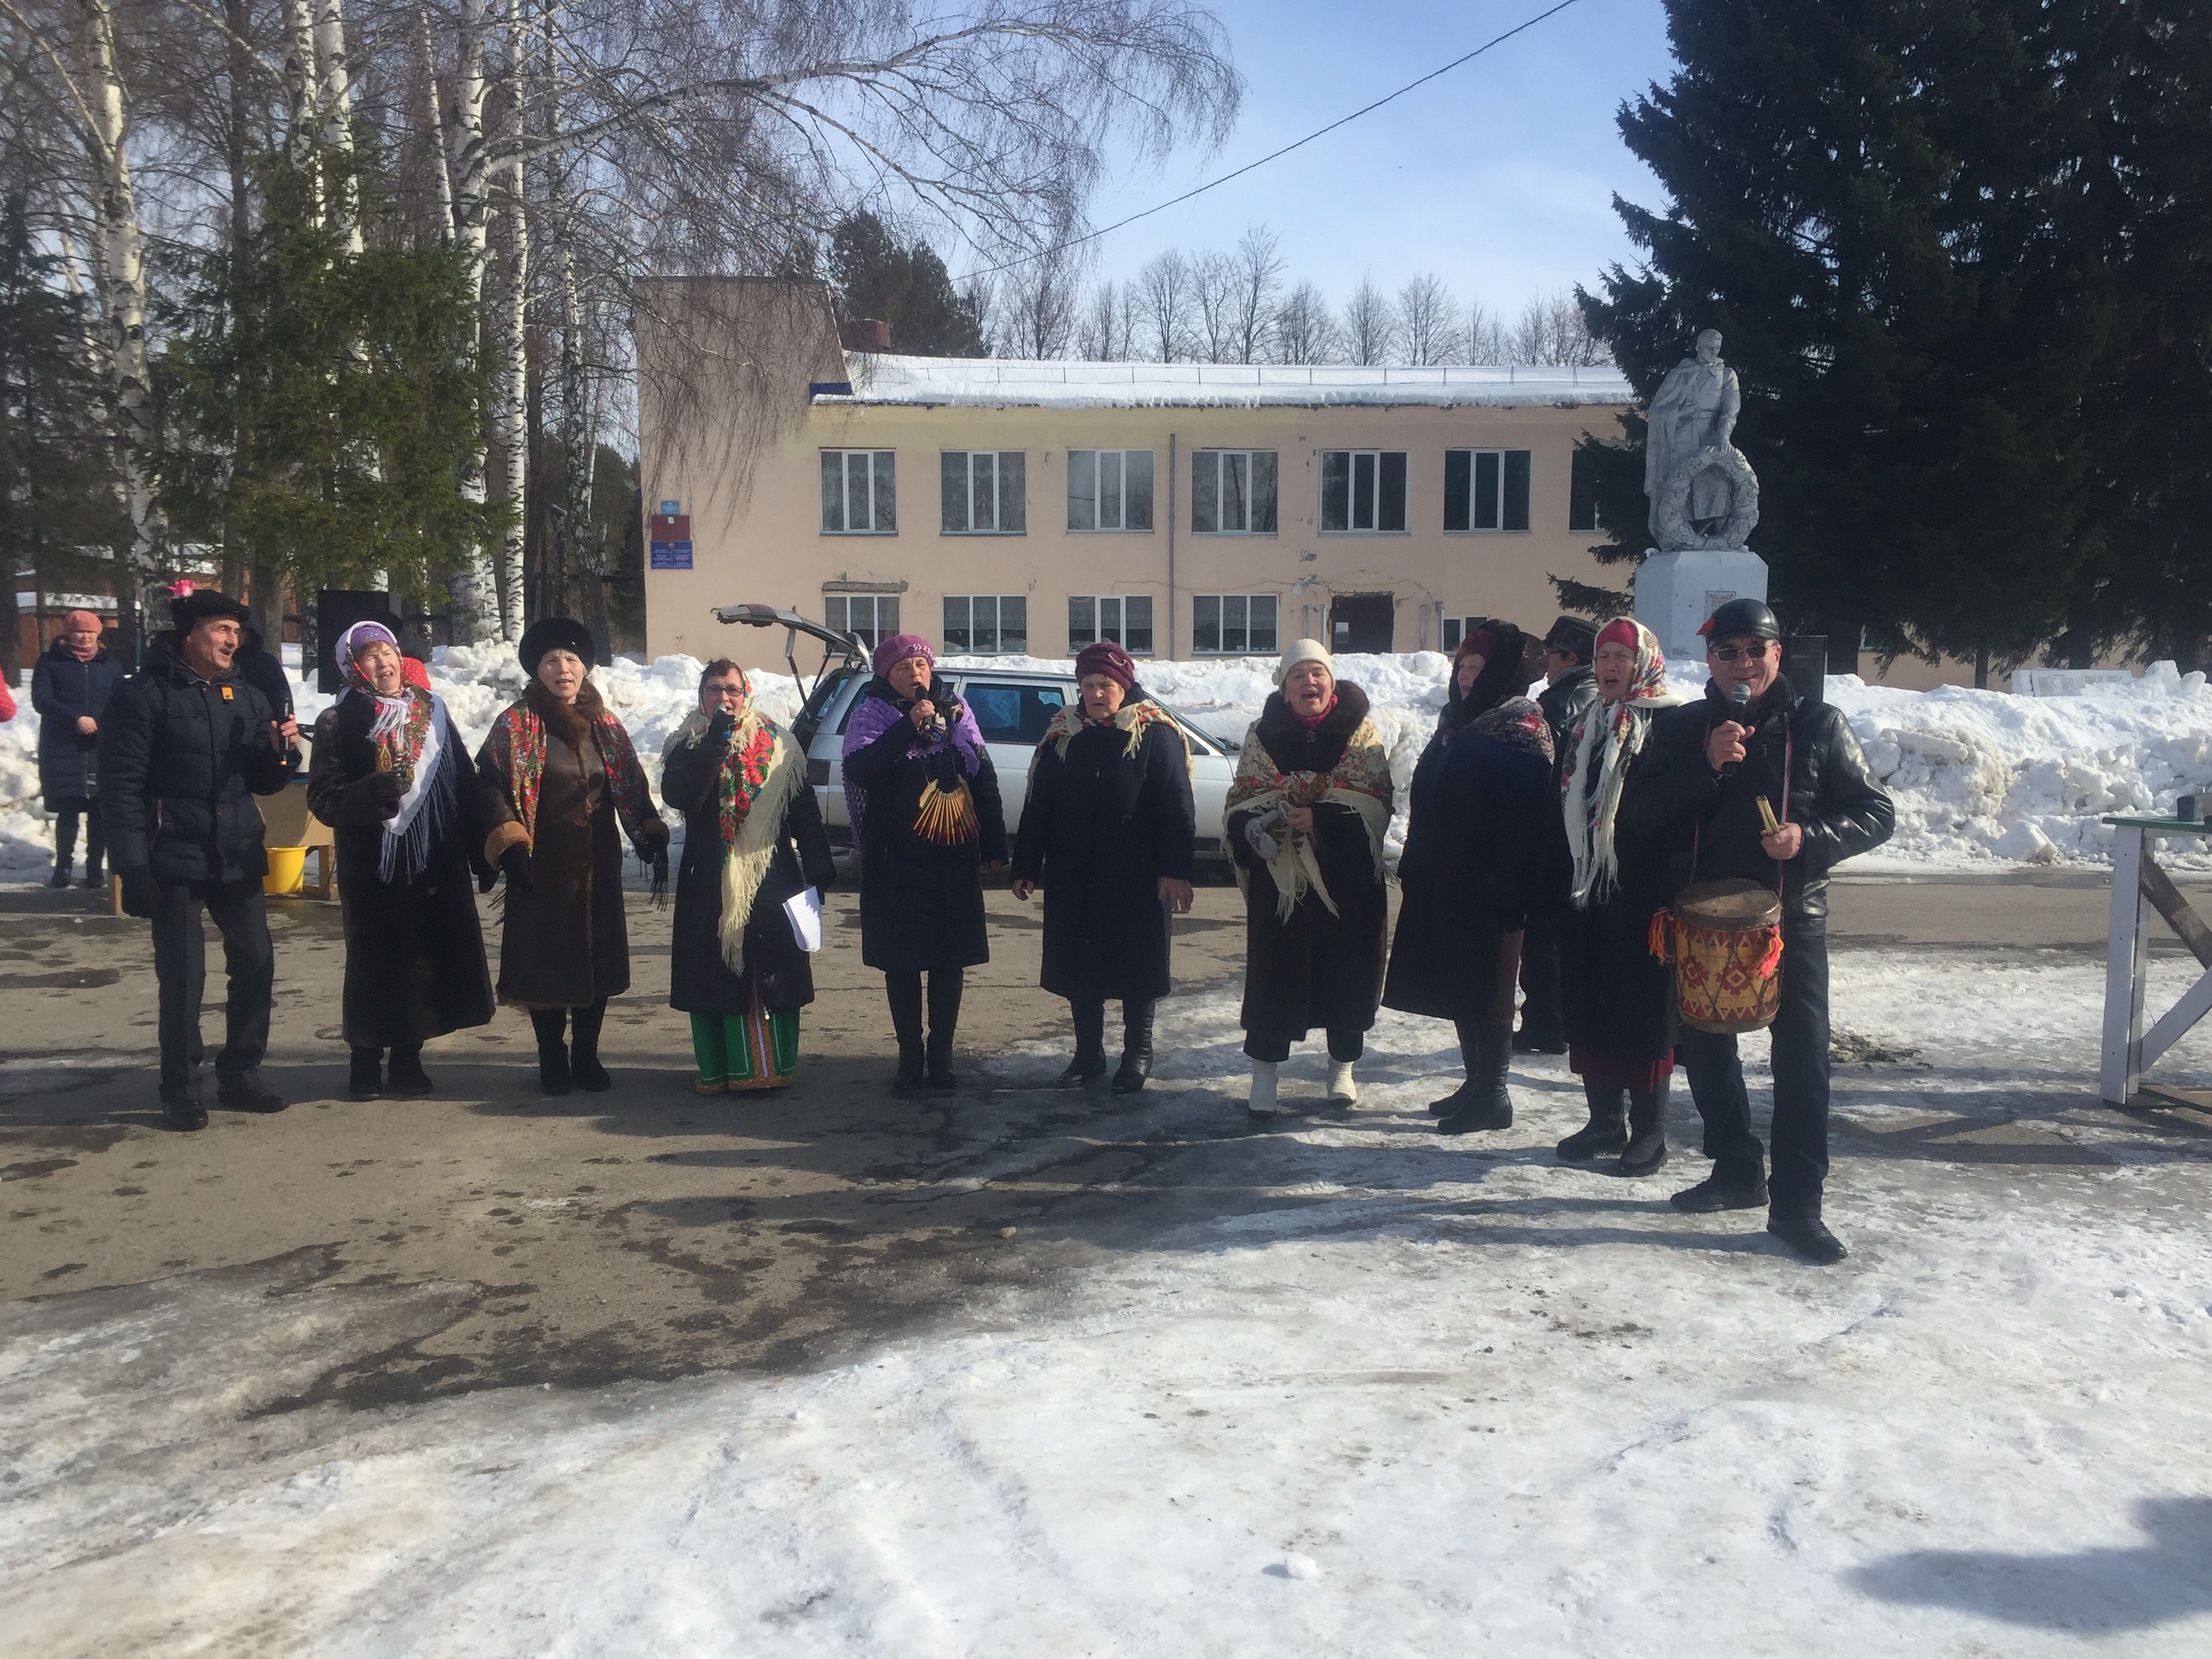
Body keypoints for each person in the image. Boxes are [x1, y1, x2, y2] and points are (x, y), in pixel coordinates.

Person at [1618, 597, 1894, 1264]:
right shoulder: (1686, 727)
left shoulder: (1819, 725)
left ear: (1777, 653)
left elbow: (1876, 812)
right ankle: (1736, 1167)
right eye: (1727, 652)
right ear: (1709, 660)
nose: (1742, 664)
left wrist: (1809, 839)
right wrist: (1705, 766)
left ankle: (1799, 1205)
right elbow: (1637, 817)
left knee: (1801, 1064)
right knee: (1707, 1053)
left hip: (1788, 924)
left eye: (1754, 651)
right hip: (1700, 923)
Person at [100, 588, 300, 1129]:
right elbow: (120, 788)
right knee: (184, 978)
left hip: (237, 850)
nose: (232, 639)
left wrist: (282, 756)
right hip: (172, 856)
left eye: (236, 631)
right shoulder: (142, 695)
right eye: (220, 629)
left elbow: (262, 778)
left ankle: (241, 1074)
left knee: (256, 964)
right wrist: (132, 866)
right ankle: (180, 1087)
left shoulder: (248, 694)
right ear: (189, 635)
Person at [476, 617, 669, 1096]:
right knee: (546, 965)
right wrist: (511, 844)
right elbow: (490, 789)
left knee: (596, 961)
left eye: (571, 660)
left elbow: (630, 784)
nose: (562, 668)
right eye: (551, 661)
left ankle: (586, 1055)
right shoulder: (516, 724)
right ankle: (551, 1057)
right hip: (539, 868)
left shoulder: (605, 724)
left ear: (584, 668)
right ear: (537, 670)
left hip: (598, 866)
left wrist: (647, 832)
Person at [306, 619, 495, 1100]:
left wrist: (482, 847)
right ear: (351, 666)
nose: (383, 663)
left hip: (435, 857)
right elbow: (324, 799)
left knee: (424, 958)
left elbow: (462, 782)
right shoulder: (339, 721)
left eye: (388, 652)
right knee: (376, 962)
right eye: (370, 656)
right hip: (374, 864)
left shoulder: (430, 711)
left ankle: (409, 1058)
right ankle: (365, 1060)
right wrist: (372, 792)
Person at [1010, 640, 1197, 1094]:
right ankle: (1088, 1054)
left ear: (1124, 686)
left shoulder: (1153, 732)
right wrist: (1026, 864)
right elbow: (1039, 804)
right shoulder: (1063, 734)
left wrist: (1175, 869)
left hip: (1136, 874)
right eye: (1089, 684)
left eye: (1107, 685)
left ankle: (1137, 1053)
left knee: (1137, 965)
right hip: (1075, 872)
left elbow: (1177, 806)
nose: (1097, 693)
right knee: (1081, 964)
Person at [1225, 638, 1393, 1115]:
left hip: (1347, 885)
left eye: (1317, 673)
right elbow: (1242, 796)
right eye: (1298, 675)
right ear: (1284, 686)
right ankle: (1264, 1075)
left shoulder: (1361, 735)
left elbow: (1376, 801)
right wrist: (1255, 823)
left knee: (1346, 977)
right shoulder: (1263, 736)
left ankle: (1342, 1068)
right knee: (1274, 977)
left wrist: (1321, 819)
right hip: (1283, 884)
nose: (1309, 682)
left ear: (1331, 680)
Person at [1383, 689, 1558, 1134]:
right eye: (1462, 667)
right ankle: (1476, 1083)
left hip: (1500, 883)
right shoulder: (1457, 726)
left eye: (1478, 668)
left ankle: (1494, 1095)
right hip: (1453, 879)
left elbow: (1528, 813)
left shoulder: (1523, 728)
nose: (1467, 678)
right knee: (1463, 986)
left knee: (1492, 991)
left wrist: (1509, 880)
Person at [841, 633, 1008, 1092]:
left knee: (947, 961)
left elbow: (982, 773)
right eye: (902, 668)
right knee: (902, 963)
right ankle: (909, 1058)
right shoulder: (870, 714)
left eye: (920, 665)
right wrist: (908, 727)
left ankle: (943, 1056)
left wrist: (994, 844)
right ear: (885, 676)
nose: (914, 674)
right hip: (895, 860)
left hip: (950, 856)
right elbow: (861, 770)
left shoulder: (957, 711)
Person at [661, 659, 836, 1095]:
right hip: (709, 880)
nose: (724, 698)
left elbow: (805, 813)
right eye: (714, 690)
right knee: (714, 975)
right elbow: (681, 795)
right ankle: (721, 1069)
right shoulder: (687, 743)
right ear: (702, 698)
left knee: (771, 971)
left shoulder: (779, 744)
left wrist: (818, 869)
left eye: (732, 690)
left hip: (772, 877)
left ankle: (770, 1067)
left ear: (747, 693)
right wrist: (714, 746)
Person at [1554, 619, 1689, 1173]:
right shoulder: (1588, 721)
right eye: (1603, 655)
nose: (1609, 666)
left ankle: (1651, 1129)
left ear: (1645, 664)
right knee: (1589, 1000)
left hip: (1646, 890)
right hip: (1588, 884)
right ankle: (1603, 1119)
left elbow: (1674, 807)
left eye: (1621, 656)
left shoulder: (1671, 724)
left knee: (1643, 1010)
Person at [1515, 615, 1601, 1054]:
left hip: (1555, 838)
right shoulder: (1591, 695)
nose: (1544, 662)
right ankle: (1558, 1019)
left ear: (1569, 658)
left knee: (1544, 935)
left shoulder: (1562, 703)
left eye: (1550, 653)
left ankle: (1545, 1024)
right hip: (1580, 840)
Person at [30, 610, 123, 888]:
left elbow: (121, 701)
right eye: (79, 631)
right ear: (68, 633)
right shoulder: (50, 662)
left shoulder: (110, 664)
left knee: (99, 811)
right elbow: (42, 699)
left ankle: (95, 868)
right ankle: (63, 868)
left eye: (90, 632)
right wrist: (74, 720)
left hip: (100, 745)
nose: (84, 637)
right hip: (64, 746)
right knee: (69, 810)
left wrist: (101, 723)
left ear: (98, 634)